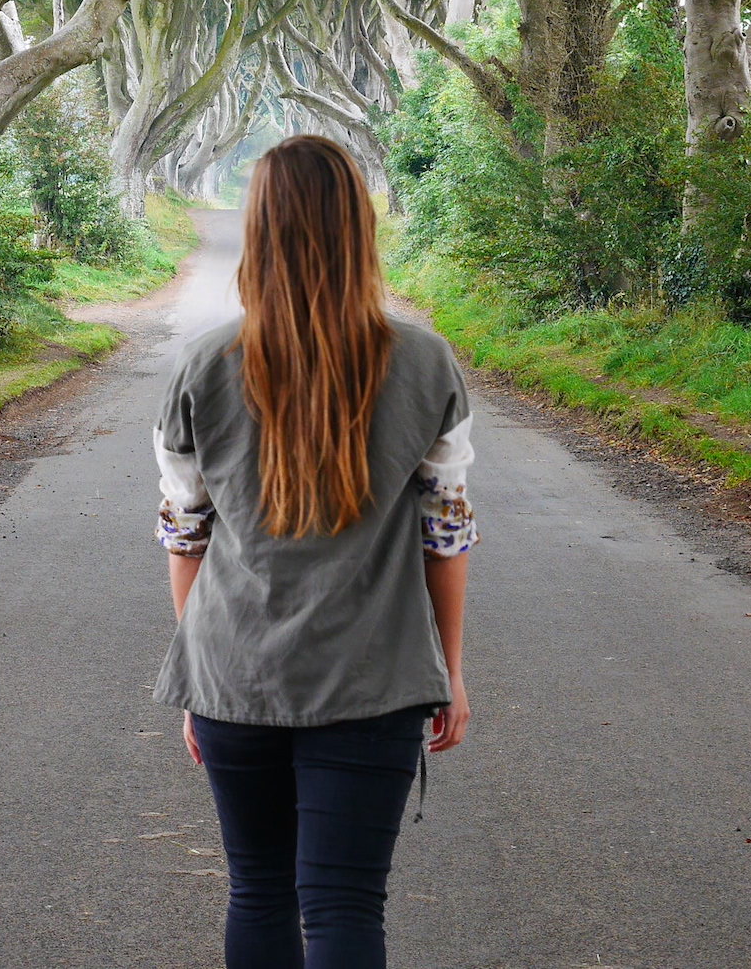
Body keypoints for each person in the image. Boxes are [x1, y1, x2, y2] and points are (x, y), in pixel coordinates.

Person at [152, 133, 476, 969]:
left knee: (257, 888)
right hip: (375, 679)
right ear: (359, 230)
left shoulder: (200, 364)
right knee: (343, 905)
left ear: (257, 231)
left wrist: (202, 676)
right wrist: (451, 671)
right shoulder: (426, 360)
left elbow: (185, 530)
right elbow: (447, 531)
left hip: (234, 672)